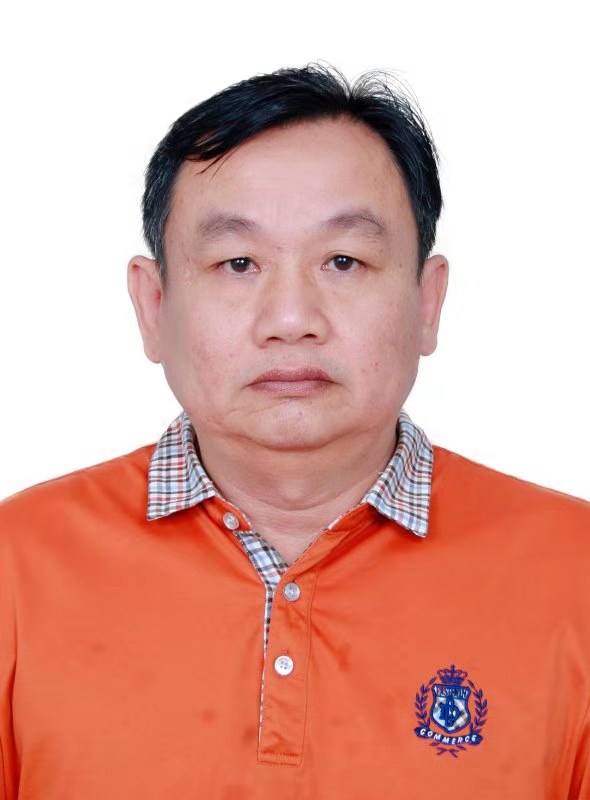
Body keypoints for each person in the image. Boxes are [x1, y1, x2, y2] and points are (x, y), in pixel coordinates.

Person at [0, 63, 588, 800]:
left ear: (427, 303)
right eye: (238, 263)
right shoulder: (15, 566)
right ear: (153, 307)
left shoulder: (576, 570)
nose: (290, 319)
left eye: (344, 261)